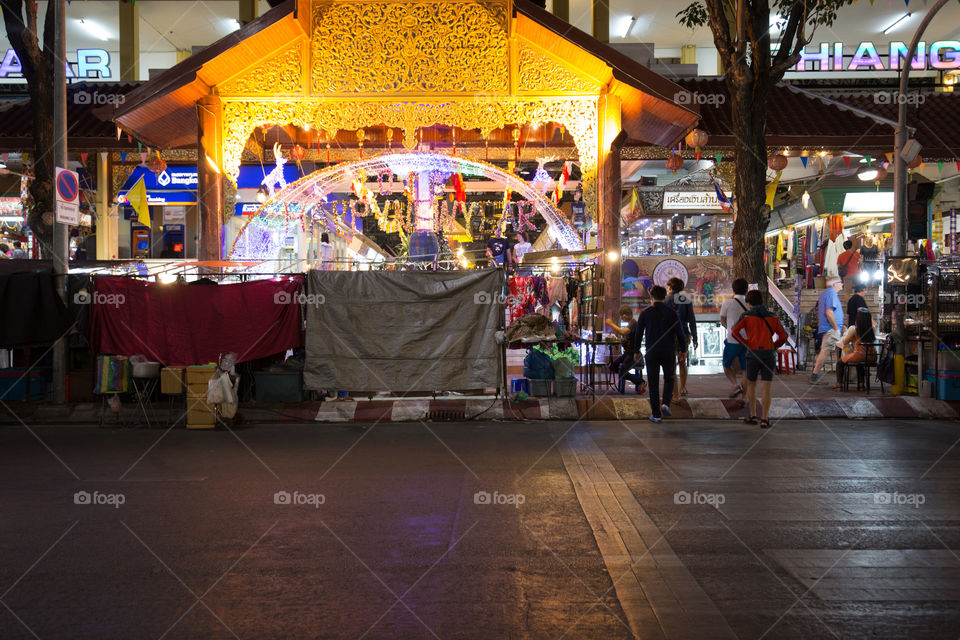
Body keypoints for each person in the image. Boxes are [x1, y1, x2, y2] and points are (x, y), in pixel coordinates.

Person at [730, 290, 789, 428]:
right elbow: (784, 336)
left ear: (748, 303)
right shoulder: (773, 317)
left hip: (753, 354)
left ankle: (753, 415)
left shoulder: (746, 316)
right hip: (768, 354)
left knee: (751, 384)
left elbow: (734, 331)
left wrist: (745, 342)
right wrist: (774, 346)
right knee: (766, 387)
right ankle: (765, 418)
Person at [633, 285, 686, 423]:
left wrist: (636, 350)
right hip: (668, 351)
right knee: (669, 378)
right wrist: (683, 350)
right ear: (664, 297)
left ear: (651, 296)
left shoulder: (645, 313)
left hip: (652, 352)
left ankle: (656, 415)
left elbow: (638, 334)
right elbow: (680, 333)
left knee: (653, 382)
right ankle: (666, 403)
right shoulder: (672, 312)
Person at [665, 277, 697, 396]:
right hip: (684, 334)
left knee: (671, 363)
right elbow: (692, 320)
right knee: (682, 361)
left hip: (669, 335)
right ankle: (683, 388)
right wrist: (695, 337)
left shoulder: (665, 299)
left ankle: (674, 392)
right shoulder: (686, 299)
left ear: (670, 287)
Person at [605, 305, 646, 395]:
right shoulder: (631, 323)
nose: (621, 318)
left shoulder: (633, 323)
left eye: (621, 316)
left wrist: (611, 323)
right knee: (613, 366)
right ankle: (630, 381)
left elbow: (623, 332)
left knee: (622, 372)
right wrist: (618, 339)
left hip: (633, 354)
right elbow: (627, 339)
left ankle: (640, 381)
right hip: (627, 353)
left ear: (624, 315)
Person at [810, 277, 844, 384]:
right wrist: (836, 328)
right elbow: (829, 312)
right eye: (840, 282)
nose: (842, 284)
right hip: (831, 329)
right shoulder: (831, 294)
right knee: (829, 351)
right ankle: (816, 375)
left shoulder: (826, 293)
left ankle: (841, 376)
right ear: (835, 284)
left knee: (835, 352)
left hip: (830, 328)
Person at [719, 278, 749, 399]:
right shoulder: (749, 304)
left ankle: (736, 385)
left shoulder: (727, 303)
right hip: (747, 341)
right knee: (745, 370)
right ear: (747, 290)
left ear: (733, 289)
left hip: (732, 340)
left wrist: (730, 328)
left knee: (726, 365)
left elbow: (722, 320)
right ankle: (744, 398)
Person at [835, 307, 877, 391]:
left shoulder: (853, 329)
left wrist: (846, 333)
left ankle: (839, 385)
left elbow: (845, 342)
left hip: (859, 355)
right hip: (873, 356)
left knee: (840, 363)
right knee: (859, 363)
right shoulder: (872, 328)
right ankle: (861, 385)